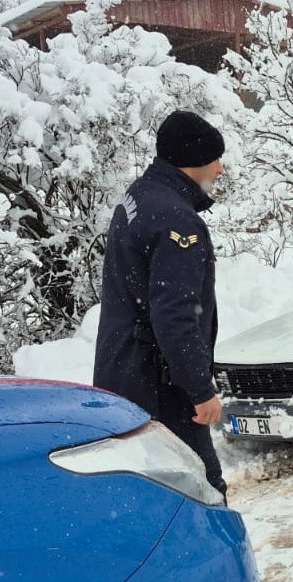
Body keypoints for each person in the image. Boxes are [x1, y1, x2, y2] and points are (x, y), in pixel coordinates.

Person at [94, 110, 229, 497]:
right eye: (215, 158)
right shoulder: (177, 222)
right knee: (201, 490)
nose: (220, 169)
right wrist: (200, 390)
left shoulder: (138, 196)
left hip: (124, 373)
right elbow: (174, 315)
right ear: (194, 159)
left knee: (148, 492)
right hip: (161, 386)